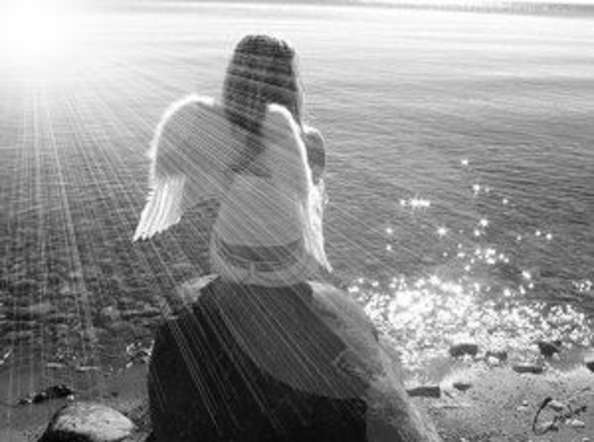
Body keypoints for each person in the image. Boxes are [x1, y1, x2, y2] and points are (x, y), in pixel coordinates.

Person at [137, 35, 441, 441]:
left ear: (234, 79)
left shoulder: (220, 138)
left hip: (229, 266)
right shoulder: (309, 141)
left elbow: (204, 194)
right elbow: (311, 210)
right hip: (290, 271)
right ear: (291, 85)